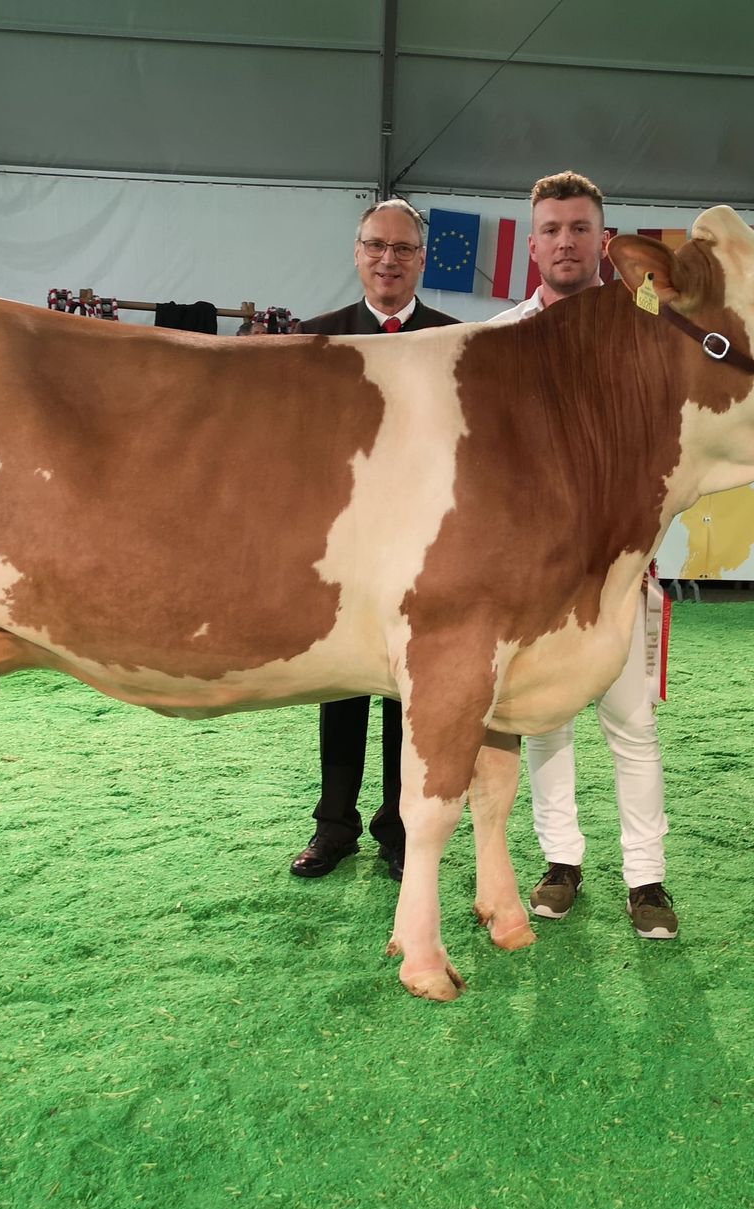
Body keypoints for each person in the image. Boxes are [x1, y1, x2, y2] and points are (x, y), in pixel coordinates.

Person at [488, 170, 678, 941]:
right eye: (552, 229)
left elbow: (668, 453)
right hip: (533, 572)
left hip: (619, 565)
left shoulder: (650, 331)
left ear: (607, 241)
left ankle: (648, 879)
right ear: (532, 244)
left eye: (580, 228)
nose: (566, 241)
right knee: (545, 724)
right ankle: (560, 861)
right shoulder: (498, 338)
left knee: (631, 726)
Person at [288, 199, 459, 884]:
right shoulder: (315, 340)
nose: (388, 259)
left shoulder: (455, 339)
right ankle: (335, 827)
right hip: (344, 548)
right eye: (375, 246)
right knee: (340, 685)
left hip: (424, 552)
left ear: (422, 260)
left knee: (405, 691)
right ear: (358, 253)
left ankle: (396, 828)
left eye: (402, 249)